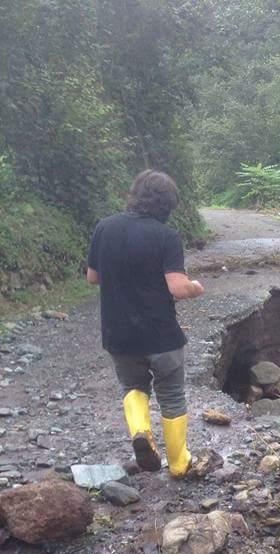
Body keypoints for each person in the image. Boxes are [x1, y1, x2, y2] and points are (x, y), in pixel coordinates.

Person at [86, 170, 204, 477]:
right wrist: (195, 287)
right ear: (168, 204)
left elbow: (92, 277)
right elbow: (177, 287)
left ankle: (141, 431)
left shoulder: (105, 228)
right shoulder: (166, 237)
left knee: (133, 386)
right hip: (161, 334)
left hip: (118, 333)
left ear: (134, 194)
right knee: (172, 394)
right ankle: (178, 463)